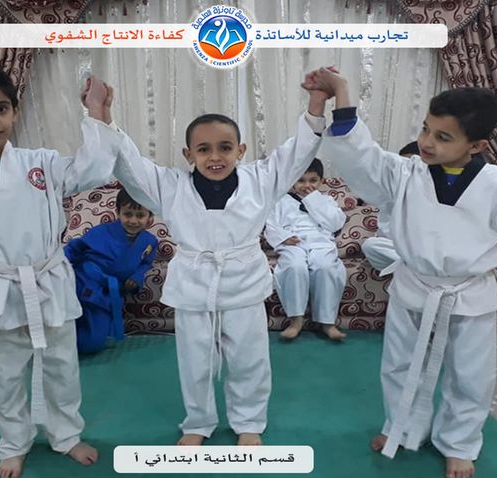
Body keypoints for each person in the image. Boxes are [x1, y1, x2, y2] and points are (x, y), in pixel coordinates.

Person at [311, 67, 497, 478]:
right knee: (398, 364)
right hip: (414, 285)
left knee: (470, 375)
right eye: (426, 129)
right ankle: (402, 427)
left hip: (469, 292)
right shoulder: (405, 173)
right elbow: (361, 157)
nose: (427, 142)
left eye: (443, 137)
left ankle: (458, 443)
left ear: (477, 145)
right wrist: (341, 94)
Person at [78, 72, 330, 446]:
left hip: (243, 282)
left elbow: (298, 153)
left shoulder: (262, 179)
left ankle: (249, 422)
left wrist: (316, 104)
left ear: (240, 151)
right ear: (188, 155)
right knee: (195, 361)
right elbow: (128, 163)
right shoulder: (169, 186)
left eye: (225, 147)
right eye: (204, 149)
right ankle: (198, 422)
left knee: (249, 360)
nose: (215, 157)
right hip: (194, 285)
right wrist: (102, 115)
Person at [0, 59, 114, 478]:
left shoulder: (41, 162)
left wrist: (97, 114)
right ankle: (13, 443)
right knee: (2, 375)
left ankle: (66, 435)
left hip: (47, 281)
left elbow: (93, 169)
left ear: (15, 110)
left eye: (1, 108)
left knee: (62, 368)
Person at [64, 187, 158, 353]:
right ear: (118, 212)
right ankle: (57, 348)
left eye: (140, 215)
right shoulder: (101, 232)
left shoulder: (150, 242)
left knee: (93, 343)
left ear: (150, 217)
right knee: (67, 322)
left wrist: (137, 277)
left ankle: (71, 346)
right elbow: (73, 249)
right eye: (127, 214)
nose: (133, 221)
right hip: (83, 283)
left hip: (108, 293)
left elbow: (146, 263)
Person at [265, 158, 347, 341]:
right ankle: (296, 320)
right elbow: (271, 226)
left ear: (321, 181)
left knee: (325, 267)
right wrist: (284, 237)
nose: (307, 185)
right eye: (301, 180)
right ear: (292, 181)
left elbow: (335, 223)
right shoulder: (281, 201)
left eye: (313, 180)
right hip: (293, 243)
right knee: (295, 266)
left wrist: (314, 201)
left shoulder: (326, 201)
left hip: (321, 243)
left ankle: (327, 322)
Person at [361, 141, 418, 272]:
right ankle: (418, 270)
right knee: (370, 246)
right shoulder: (390, 193)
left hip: (428, 252)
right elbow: (385, 235)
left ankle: (417, 270)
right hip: (400, 252)